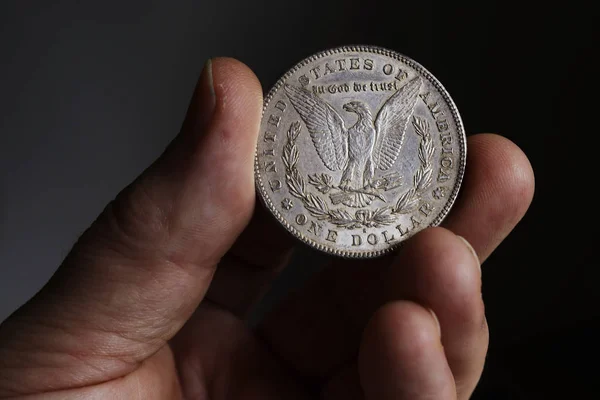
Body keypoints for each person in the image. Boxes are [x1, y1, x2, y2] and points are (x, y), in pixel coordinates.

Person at [0, 58, 534, 399]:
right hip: (341, 193)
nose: (353, 112)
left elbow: (395, 113)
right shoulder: (334, 126)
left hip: (361, 189)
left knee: (420, 319)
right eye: (349, 108)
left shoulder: (381, 126)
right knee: (418, 323)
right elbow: (313, 115)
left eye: (354, 108)